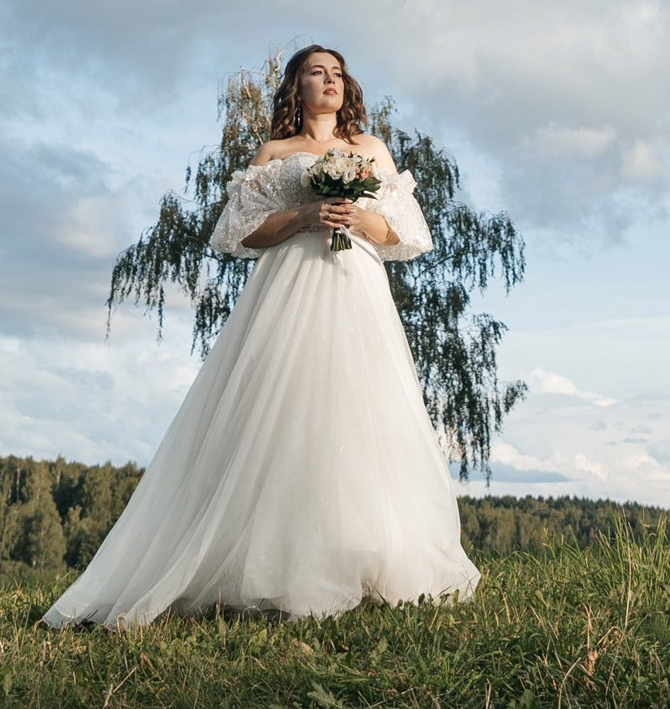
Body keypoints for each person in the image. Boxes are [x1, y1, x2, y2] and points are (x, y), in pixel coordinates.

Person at [44, 45, 481, 625]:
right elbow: (243, 233)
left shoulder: (370, 150)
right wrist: (304, 217)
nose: (329, 82)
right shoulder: (276, 153)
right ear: (295, 89)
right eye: (315, 74)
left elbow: (402, 233)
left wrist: (356, 216)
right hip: (289, 288)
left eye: (337, 74)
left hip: (356, 285)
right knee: (279, 411)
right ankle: (263, 564)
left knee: (360, 411)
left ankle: (367, 557)